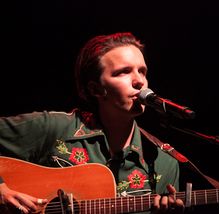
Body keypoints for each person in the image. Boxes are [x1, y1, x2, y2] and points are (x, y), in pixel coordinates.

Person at [0, 32, 184, 213]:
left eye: (142, 72)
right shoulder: (54, 128)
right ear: (96, 89)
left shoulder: (163, 163)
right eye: (124, 72)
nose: (139, 82)